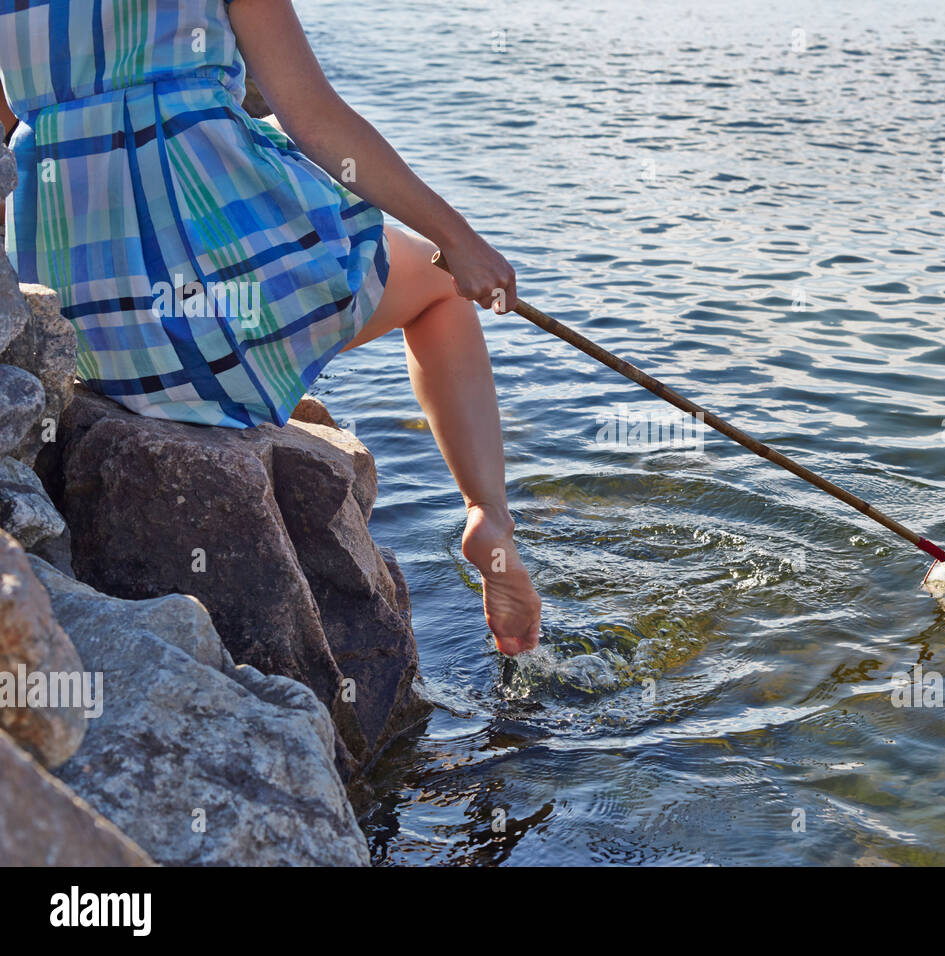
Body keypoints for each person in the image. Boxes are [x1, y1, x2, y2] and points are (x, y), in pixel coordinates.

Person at [0, 0, 541, 654]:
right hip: (207, 322)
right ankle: (489, 516)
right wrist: (459, 240)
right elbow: (313, 118)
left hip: (86, 320)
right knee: (439, 289)